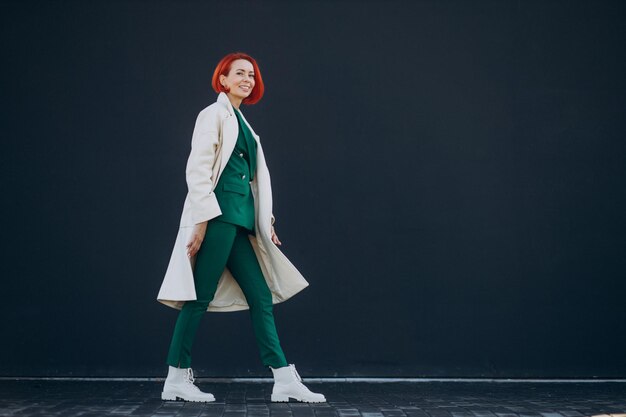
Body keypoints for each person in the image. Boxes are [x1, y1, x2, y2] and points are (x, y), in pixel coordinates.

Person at [156, 52, 326, 404]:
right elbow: (199, 172)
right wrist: (201, 223)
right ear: (223, 79)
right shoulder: (213, 114)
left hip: (239, 220)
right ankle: (175, 377)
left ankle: (283, 378)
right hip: (218, 217)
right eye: (240, 73)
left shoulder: (242, 122)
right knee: (198, 297)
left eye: (251, 74)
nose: (247, 79)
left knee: (261, 297)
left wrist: (266, 223)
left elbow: (252, 182)